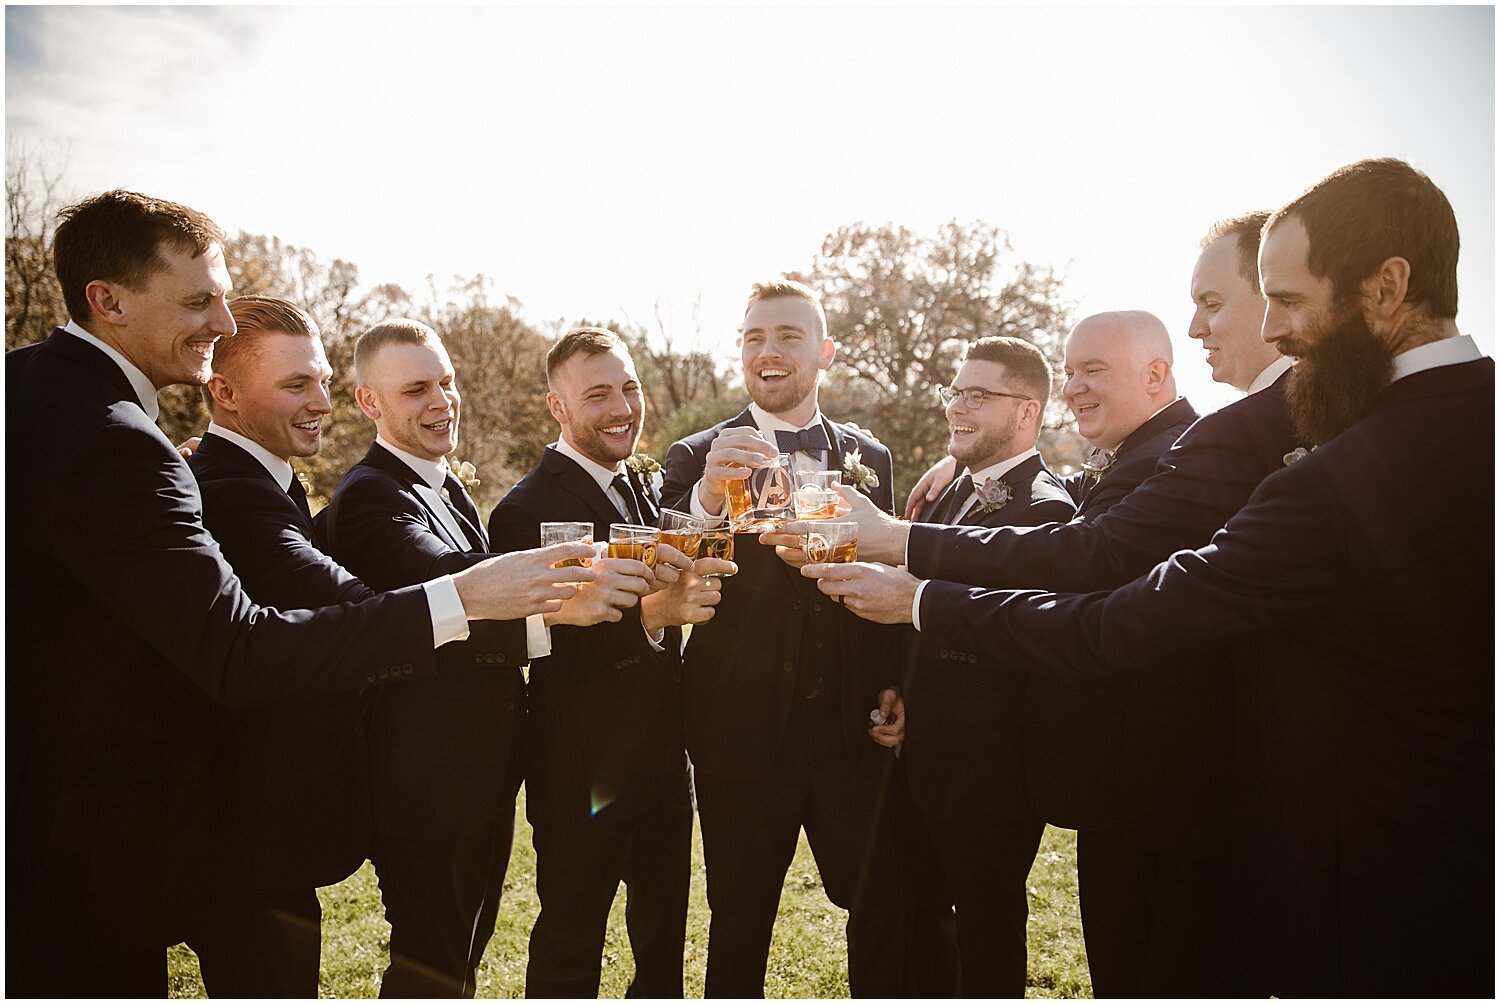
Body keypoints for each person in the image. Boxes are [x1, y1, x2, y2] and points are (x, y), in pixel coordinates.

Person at [806, 158, 1494, 997]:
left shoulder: (1331, 482)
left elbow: (1110, 609)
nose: (1276, 334)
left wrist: (917, 591)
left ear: (1387, 287)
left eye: (1292, 302)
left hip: (1367, 893)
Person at [5, 191, 597, 997]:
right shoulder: (120, 441)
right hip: (100, 839)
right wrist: (472, 594)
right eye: (198, 300)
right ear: (106, 301)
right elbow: (246, 645)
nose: (221, 323)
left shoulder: (30, 387)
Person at [316, 318, 652, 997]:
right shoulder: (371, 498)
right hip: (424, 784)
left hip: (476, 776)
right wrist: (571, 592)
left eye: (447, 382)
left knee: (458, 956)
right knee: (431, 965)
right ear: (368, 403)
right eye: (416, 389)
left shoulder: (443, 484)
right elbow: (450, 581)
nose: (442, 401)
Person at [658, 280, 908, 997]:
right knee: (739, 921)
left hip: (851, 732)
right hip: (741, 736)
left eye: (788, 337)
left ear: (824, 352)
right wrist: (708, 499)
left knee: (883, 906)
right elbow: (667, 568)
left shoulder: (870, 456)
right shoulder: (697, 454)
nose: (767, 352)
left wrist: (894, 681)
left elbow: (882, 568)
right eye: (753, 338)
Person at [488, 327, 730, 997]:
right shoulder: (525, 511)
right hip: (579, 771)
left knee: (663, 949)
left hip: (661, 763)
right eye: (599, 394)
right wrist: (653, 618)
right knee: (571, 945)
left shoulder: (639, 485)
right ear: (557, 408)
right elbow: (545, 639)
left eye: (630, 388)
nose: (623, 407)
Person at [184, 295, 373, 996]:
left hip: (261, 832)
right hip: (245, 834)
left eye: (322, 379)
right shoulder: (231, 493)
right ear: (224, 393)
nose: (323, 400)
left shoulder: (259, 478)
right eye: (296, 384)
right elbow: (351, 609)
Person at [899, 336, 1077, 996]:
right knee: (924, 920)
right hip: (925, 758)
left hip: (993, 769)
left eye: (979, 395)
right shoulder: (951, 493)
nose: (958, 408)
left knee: (987, 930)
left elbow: (1010, 626)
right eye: (955, 392)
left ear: (1026, 413)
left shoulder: (1046, 508)